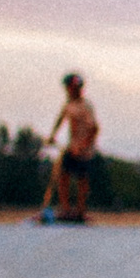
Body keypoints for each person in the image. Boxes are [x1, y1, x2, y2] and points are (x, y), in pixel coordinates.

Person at [44, 73, 99, 224]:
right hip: (72, 146)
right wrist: (52, 136)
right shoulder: (68, 105)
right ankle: (66, 209)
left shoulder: (85, 106)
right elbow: (61, 119)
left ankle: (81, 211)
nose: (70, 91)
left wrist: (83, 146)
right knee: (63, 175)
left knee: (82, 179)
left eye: (73, 88)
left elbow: (94, 129)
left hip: (84, 149)